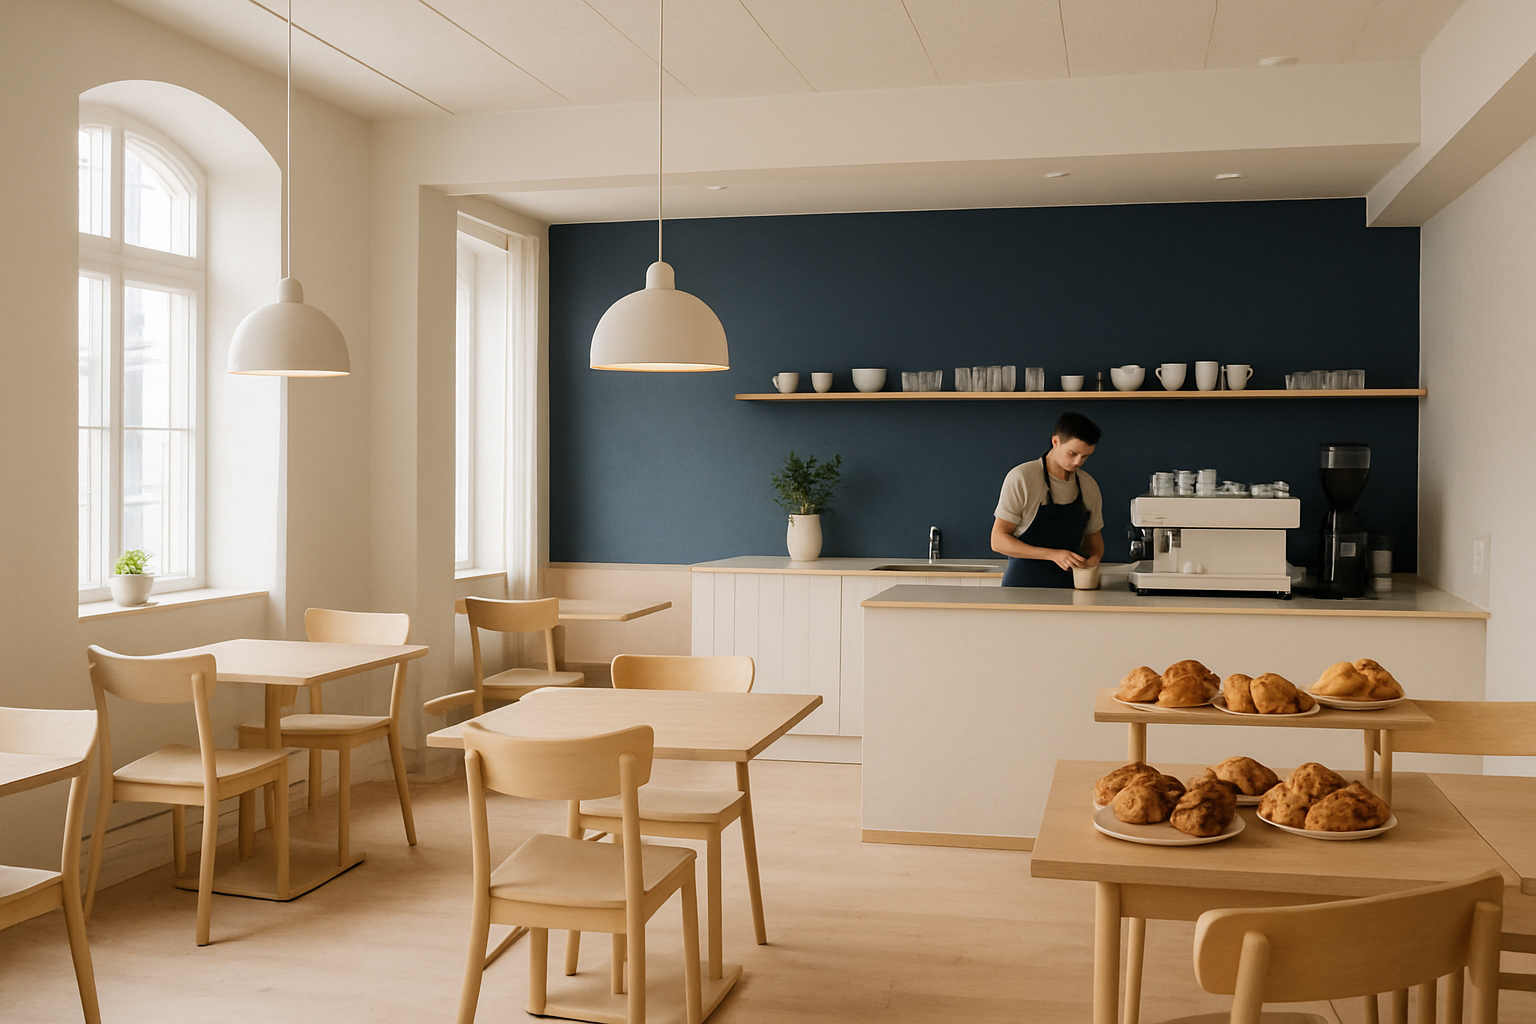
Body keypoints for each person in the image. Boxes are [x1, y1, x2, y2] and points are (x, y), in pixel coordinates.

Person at [991, 411, 1105, 588]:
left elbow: (1094, 541)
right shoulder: (1022, 478)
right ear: (1055, 441)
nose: (1078, 462)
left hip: (1071, 589)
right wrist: (1053, 555)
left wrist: (1093, 559)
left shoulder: (1088, 486)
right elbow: (998, 541)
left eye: (1085, 456)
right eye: (1072, 453)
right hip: (1022, 588)